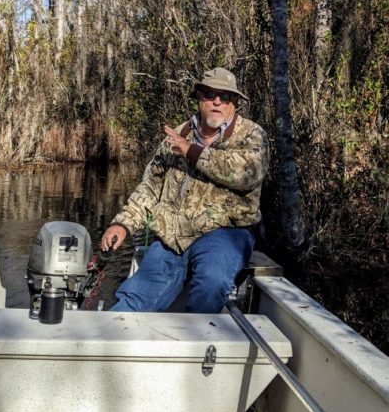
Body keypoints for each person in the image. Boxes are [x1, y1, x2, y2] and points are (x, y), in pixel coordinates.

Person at [99, 67, 269, 313]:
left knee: (212, 283)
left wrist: (192, 151)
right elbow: (150, 187)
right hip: (172, 235)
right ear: (199, 96)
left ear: (234, 104)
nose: (218, 102)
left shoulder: (252, 135)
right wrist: (123, 224)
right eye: (211, 95)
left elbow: (246, 174)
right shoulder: (177, 136)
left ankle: (198, 345)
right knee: (133, 298)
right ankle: (109, 345)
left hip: (225, 233)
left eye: (226, 97)